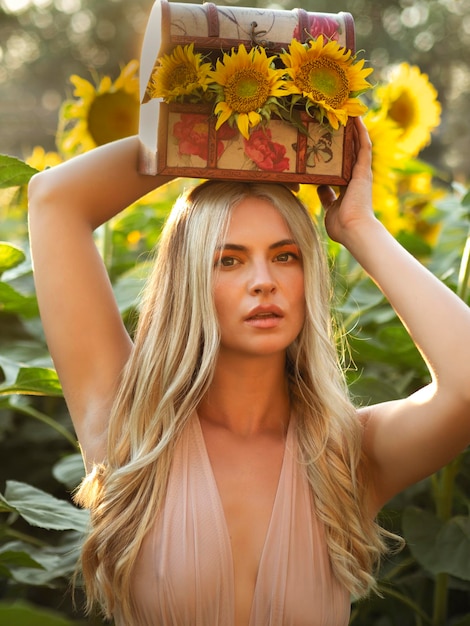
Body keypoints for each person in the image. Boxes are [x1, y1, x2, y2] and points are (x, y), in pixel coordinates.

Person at [27, 118, 470, 626]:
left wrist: (357, 227)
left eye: (285, 256)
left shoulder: (345, 456)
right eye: (230, 261)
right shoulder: (132, 427)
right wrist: (221, 122)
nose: (264, 282)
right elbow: (54, 199)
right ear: (188, 282)